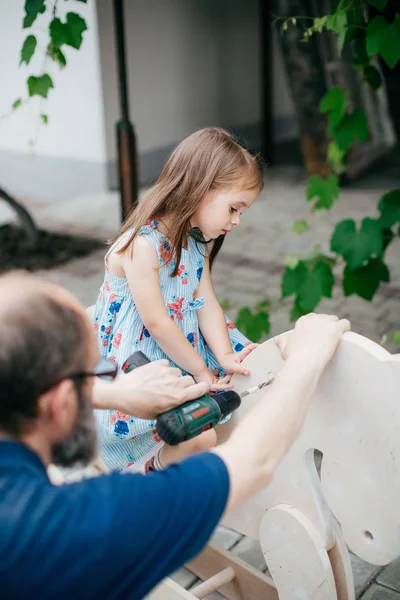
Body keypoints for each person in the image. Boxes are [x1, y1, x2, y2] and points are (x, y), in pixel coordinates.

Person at [0, 271, 350, 600]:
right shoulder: (72, 527)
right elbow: (252, 461)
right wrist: (307, 358)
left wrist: (114, 393)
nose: (102, 381)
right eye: (97, 372)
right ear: (58, 402)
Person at [93, 127, 262, 472]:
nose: (237, 220)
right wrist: (200, 371)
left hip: (176, 349)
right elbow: (156, 322)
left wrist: (225, 354)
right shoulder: (142, 245)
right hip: (141, 358)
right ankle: (144, 470)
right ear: (202, 188)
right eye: (233, 208)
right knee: (190, 427)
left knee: (247, 371)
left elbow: (206, 301)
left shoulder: (193, 243)